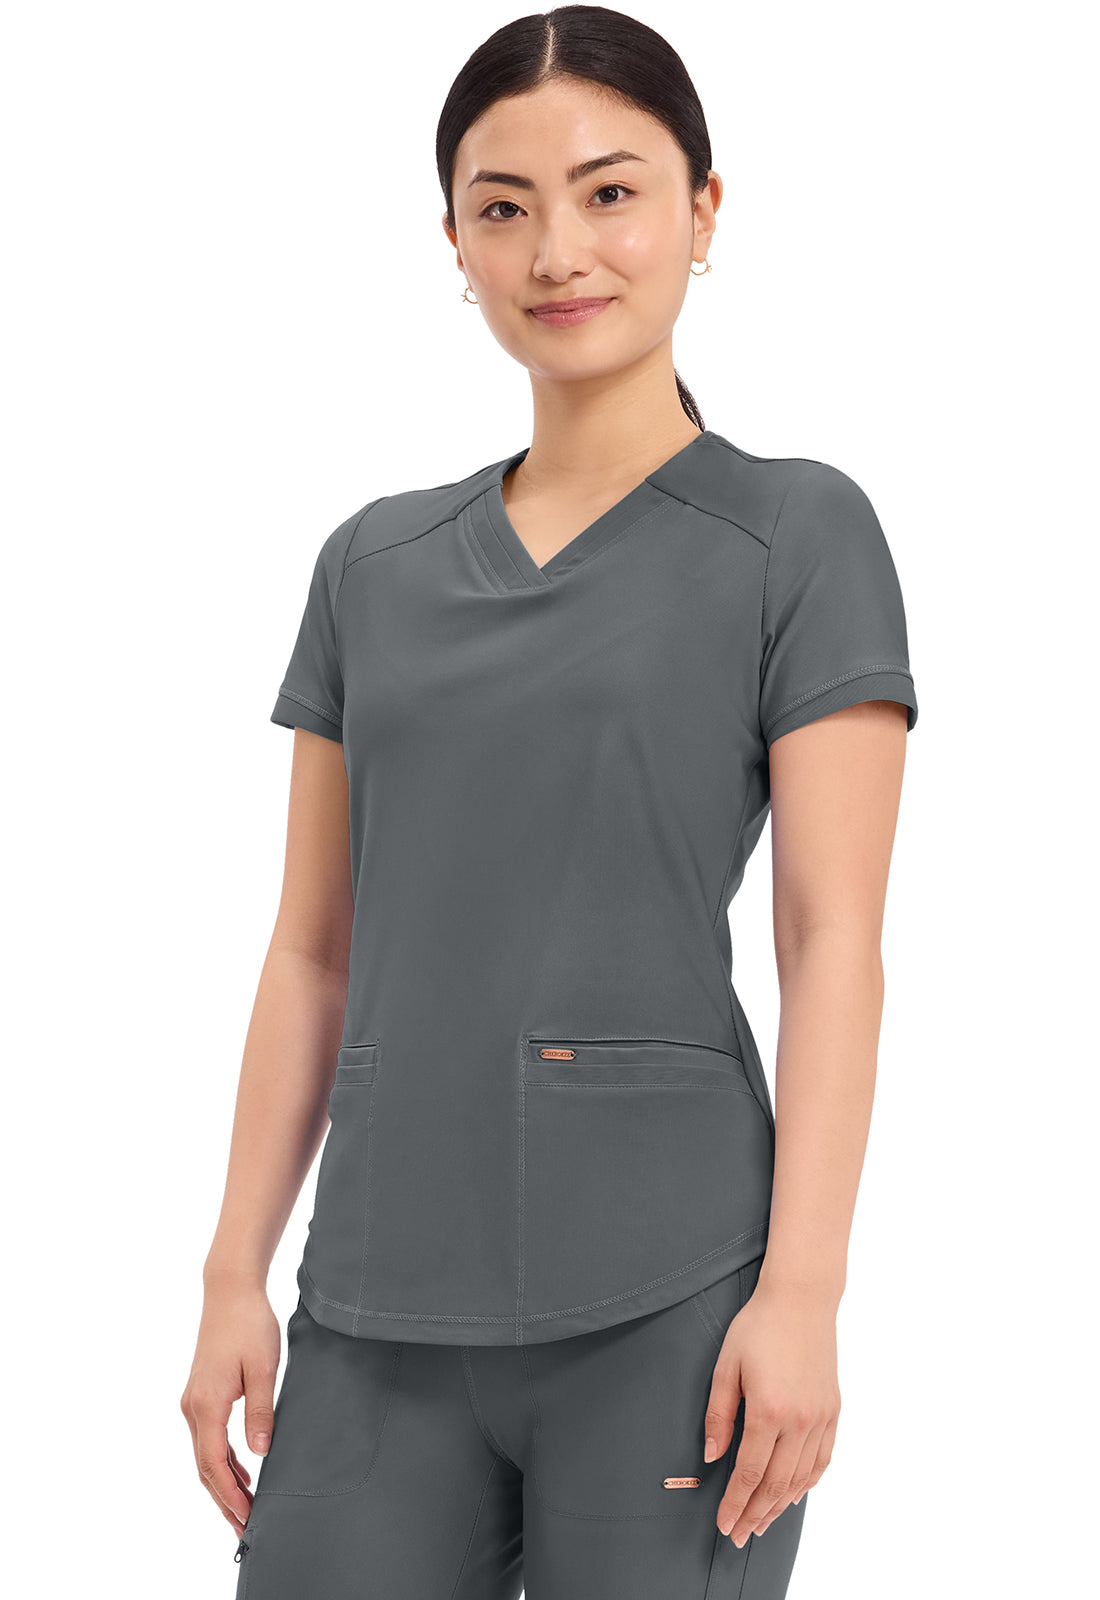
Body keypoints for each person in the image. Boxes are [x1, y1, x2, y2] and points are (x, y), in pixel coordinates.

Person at [180, 7, 919, 1597]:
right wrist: (235, 1269)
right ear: (453, 241)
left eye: (611, 192)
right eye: (503, 206)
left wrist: (805, 1295)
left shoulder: (797, 536)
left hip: (673, 1300)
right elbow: (311, 949)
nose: (558, 251)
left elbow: (831, 941)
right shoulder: (371, 566)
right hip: (374, 1294)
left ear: (704, 210)